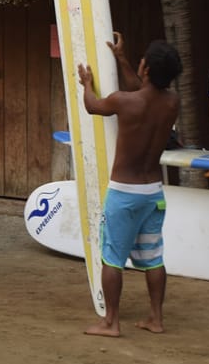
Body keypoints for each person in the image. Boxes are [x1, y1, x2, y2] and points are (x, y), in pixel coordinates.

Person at [78, 33, 182, 337]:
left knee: (112, 258)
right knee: (153, 258)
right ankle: (156, 318)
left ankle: (110, 322)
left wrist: (86, 83)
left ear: (147, 68)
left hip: (123, 193)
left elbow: (93, 106)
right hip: (153, 193)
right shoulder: (172, 103)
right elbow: (146, 92)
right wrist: (121, 59)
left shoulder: (124, 101)